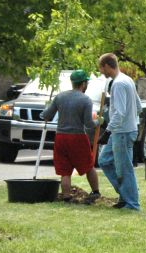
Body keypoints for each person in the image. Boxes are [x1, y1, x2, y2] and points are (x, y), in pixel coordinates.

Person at [42, 69, 102, 202]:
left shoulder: (60, 97)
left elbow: (47, 115)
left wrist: (45, 110)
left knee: (65, 170)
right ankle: (96, 192)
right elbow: (89, 124)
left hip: (61, 137)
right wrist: (99, 121)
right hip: (78, 137)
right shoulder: (86, 100)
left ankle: (66, 197)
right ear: (84, 84)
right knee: (88, 165)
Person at [97, 53, 143, 210]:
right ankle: (125, 194)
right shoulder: (127, 79)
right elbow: (138, 106)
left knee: (124, 168)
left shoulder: (118, 84)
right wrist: (132, 123)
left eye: (101, 68)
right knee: (104, 161)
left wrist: (107, 132)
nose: (101, 72)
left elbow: (120, 112)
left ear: (108, 66)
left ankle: (132, 204)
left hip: (122, 133)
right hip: (124, 131)